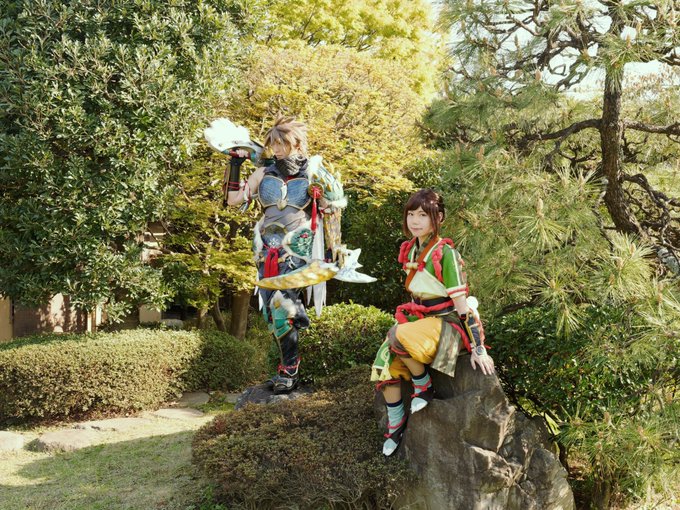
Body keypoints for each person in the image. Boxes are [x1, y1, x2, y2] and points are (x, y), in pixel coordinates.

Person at [225, 116, 369, 394]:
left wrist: (334, 247)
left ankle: (290, 369)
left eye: (283, 144)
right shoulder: (264, 172)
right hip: (266, 250)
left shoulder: (313, 172)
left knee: (282, 308)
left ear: (297, 143)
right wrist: (235, 164)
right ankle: (285, 365)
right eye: (274, 144)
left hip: (297, 250)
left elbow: (334, 208)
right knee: (271, 313)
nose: (277, 149)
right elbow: (234, 200)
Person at [370, 188, 495, 456]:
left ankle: (422, 383)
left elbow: (462, 305)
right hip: (420, 318)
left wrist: (478, 347)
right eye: (411, 214)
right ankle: (396, 423)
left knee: (397, 336)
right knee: (385, 362)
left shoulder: (445, 253)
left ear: (438, 218)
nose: (415, 221)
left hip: (446, 322)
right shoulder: (410, 249)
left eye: (423, 215)